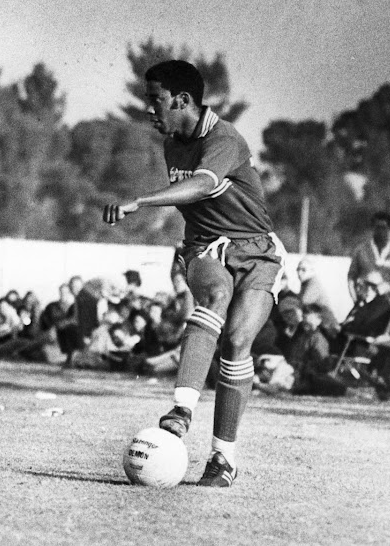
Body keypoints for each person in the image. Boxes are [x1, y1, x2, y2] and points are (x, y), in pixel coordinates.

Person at [102, 60, 286, 487]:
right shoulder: (173, 143)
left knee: (239, 342)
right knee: (214, 296)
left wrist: (140, 202)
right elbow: (200, 204)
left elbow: (203, 184)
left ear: (182, 100)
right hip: (205, 246)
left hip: (258, 251)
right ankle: (182, 408)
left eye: (156, 100)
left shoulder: (224, 138)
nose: (150, 109)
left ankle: (223, 458)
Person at [347, 211, 390, 300]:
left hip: (389, 304)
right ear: (372, 228)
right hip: (366, 302)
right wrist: (355, 300)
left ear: (389, 228)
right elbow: (351, 278)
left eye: (383, 228)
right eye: (377, 227)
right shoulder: (361, 251)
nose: (380, 231)